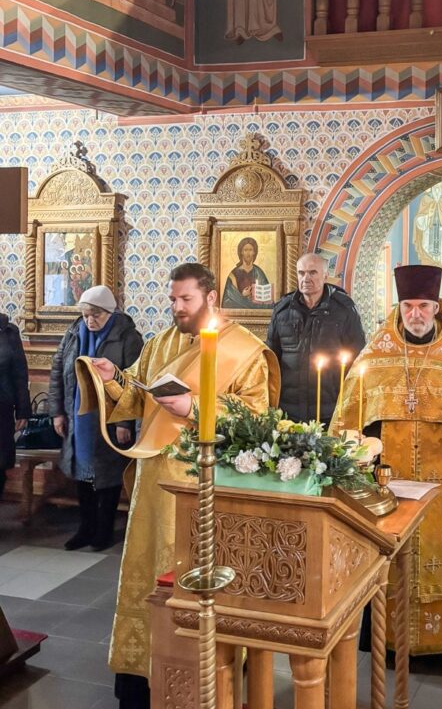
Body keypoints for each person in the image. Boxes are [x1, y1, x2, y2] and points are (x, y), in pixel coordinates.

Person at [78, 263, 280, 709]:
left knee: (200, 579)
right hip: (156, 484)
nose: (177, 308)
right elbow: (138, 395)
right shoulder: (161, 343)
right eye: (172, 299)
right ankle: (143, 674)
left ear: (210, 297)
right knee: (150, 576)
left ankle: (208, 677)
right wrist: (114, 378)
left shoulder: (246, 351)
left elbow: (257, 418)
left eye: (185, 299)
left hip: (208, 488)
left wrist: (194, 406)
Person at [331, 264, 442, 668]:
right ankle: (386, 643)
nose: (415, 314)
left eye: (423, 306)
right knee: (386, 553)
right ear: (399, 308)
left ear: (437, 307)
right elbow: (351, 418)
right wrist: (354, 462)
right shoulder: (375, 357)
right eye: (408, 306)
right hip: (386, 480)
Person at [48, 286, 142, 551]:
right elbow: (58, 371)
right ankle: (85, 528)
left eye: (95, 315)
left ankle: (104, 530)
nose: (89, 320)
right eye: (85, 314)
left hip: (110, 419)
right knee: (83, 473)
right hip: (78, 417)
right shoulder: (73, 332)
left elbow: (134, 381)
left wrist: (125, 422)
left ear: (109, 312)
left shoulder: (128, 337)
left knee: (108, 475)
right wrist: (57, 412)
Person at [267, 252, 365, 426]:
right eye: (301, 273)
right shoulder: (282, 310)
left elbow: (357, 357)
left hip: (330, 409)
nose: (306, 278)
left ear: (325, 276)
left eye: (313, 272)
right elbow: (271, 358)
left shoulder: (344, 310)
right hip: (288, 411)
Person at [0, 311, 30, 500]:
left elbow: (20, 374)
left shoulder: (9, 332)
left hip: (2, 409)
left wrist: (23, 410)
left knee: (0, 465)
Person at [222, 236, 271, 308]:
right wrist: (242, 296)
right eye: (245, 250)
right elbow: (227, 302)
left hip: (258, 313)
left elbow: (268, 301)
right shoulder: (233, 275)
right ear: (241, 252)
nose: (248, 253)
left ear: (254, 252)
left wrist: (257, 297)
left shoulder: (259, 273)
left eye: (250, 250)